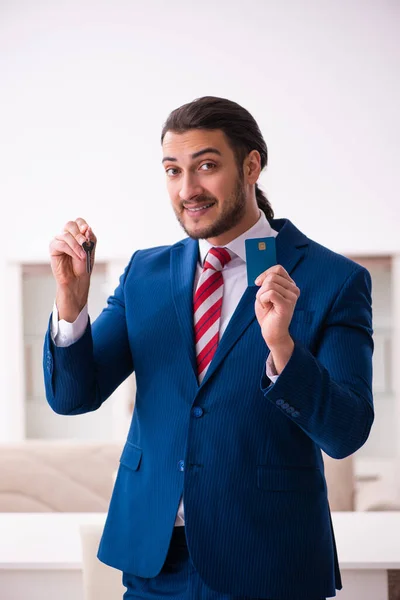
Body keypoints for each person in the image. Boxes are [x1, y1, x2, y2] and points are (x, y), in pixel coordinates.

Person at [43, 96, 374, 600]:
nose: (187, 189)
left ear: (252, 165)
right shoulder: (144, 274)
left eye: (206, 166)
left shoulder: (333, 280)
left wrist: (282, 347)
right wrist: (71, 306)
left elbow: (346, 432)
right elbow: (73, 398)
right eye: (173, 171)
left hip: (269, 564)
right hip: (156, 562)